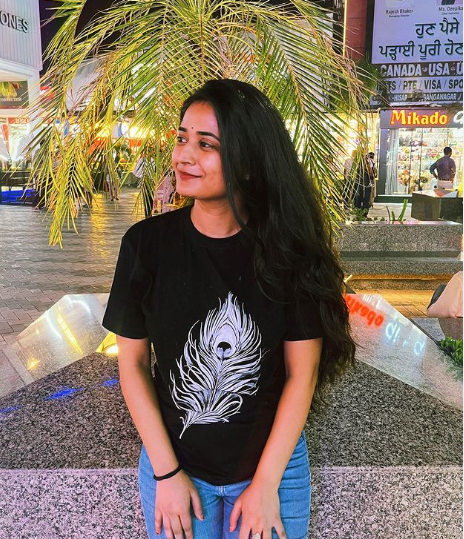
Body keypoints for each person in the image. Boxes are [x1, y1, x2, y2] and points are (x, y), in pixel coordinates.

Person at [102, 79, 355, 539]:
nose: (183, 155)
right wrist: (166, 473)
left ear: (249, 162)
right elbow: (133, 365)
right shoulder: (146, 245)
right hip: (175, 469)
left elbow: (301, 375)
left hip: (272, 472)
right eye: (182, 138)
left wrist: (265, 484)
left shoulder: (289, 252)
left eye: (206, 144)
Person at [354, 152, 376, 216]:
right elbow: (371, 174)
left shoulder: (362, 164)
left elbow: (371, 174)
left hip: (363, 184)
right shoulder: (366, 164)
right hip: (364, 185)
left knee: (360, 199)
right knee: (363, 200)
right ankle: (362, 213)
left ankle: (361, 213)